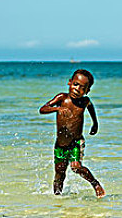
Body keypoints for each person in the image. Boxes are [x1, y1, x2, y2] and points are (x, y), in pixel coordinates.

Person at [39, 69, 106, 198]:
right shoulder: (62, 98)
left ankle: (95, 183)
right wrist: (57, 108)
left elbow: (91, 110)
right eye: (75, 84)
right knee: (59, 172)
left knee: (76, 167)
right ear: (69, 83)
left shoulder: (85, 102)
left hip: (76, 142)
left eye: (82, 88)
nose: (77, 89)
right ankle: (57, 198)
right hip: (60, 144)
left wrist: (95, 124)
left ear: (87, 91)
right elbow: (42, 109)